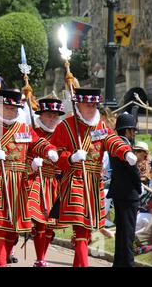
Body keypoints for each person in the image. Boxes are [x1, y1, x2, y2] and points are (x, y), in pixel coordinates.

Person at [0, 90, 59, 267]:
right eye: (6, 108)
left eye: (13, 109)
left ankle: (7, 254)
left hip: (19, 183)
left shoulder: (25, 130)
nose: (10, 111)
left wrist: (49, 150)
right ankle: (0, 264)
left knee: (13, 229)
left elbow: (38, 143)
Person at [50, 88, 137, 267]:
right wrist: (71, 157)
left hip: (93, 183)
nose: (91, 108)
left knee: (87, 230)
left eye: (93, 105)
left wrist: (125, 152)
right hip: (74, 180)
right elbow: (55, 155)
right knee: (81, 229)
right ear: (78, 105)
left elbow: (112, 141)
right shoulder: (65, 126)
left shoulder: (101, 126)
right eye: (87, 105)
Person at [27, 98, 66, 267]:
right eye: (49, 115)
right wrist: (32, 164)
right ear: (41, 115)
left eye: (55, 116)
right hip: (36, 179)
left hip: (56, 182)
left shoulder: (63, 135)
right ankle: (40, 258)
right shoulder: (32, 133)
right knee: (40, 221)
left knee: (50, 225)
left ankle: (42, 256)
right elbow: (22, 155)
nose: (52, 119)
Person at [106, 112, 141, 267]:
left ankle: (119, 263)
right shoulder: (124, 145)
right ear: (127, 131)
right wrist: (139, 187)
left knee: (122, 232)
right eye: (132, 130)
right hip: (128, 194)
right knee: (128, 233)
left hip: (119, 192)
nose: (133, 133)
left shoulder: (116, 142)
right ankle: (128, 263)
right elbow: (133, 171)